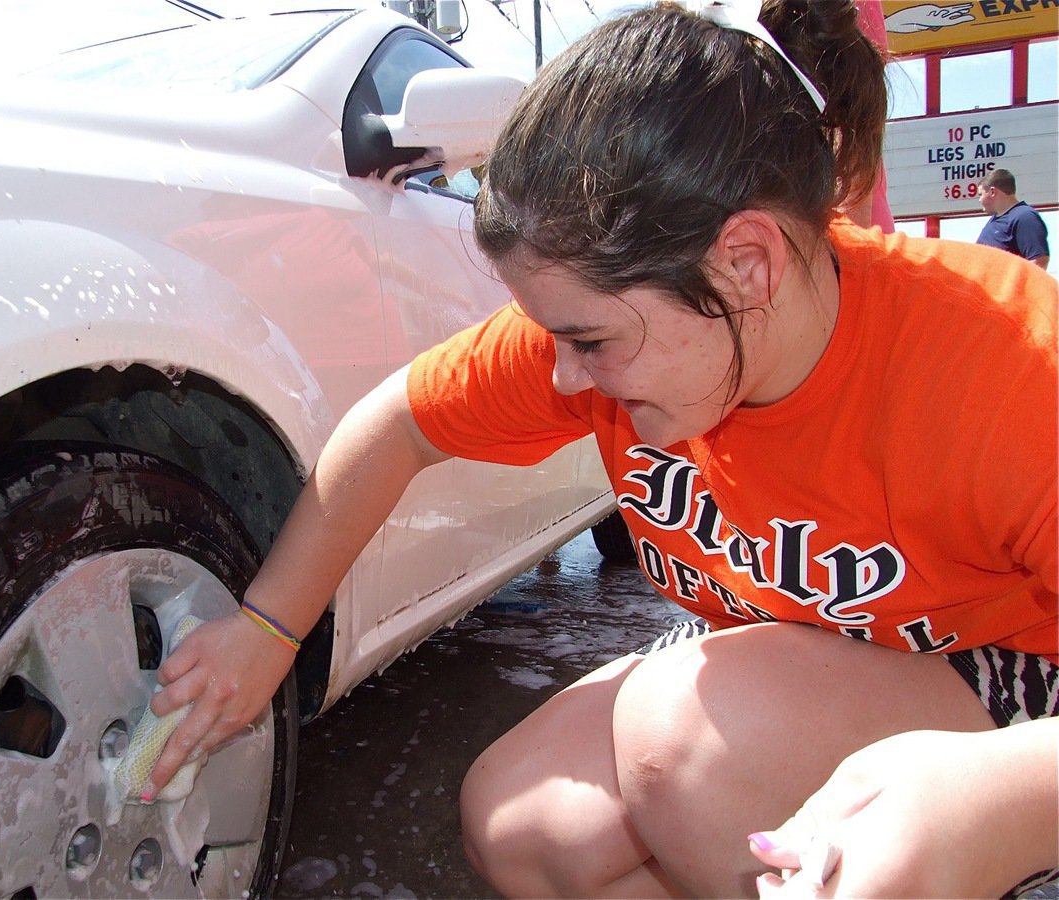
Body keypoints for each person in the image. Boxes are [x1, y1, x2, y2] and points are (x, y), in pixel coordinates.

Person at [145, 1, 1059, 896]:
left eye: (592, 342)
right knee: (518, 823)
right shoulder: (593, 332)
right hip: (780, 641)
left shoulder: (1012, 364)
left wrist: (996, 797)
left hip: (1006, 677)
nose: (569, 381)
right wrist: (266, 632)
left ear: (747, 264)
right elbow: (392, 430)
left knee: (686, 750)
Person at [976, 168, 1051, 269]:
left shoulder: (1025, 217)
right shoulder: (994, 220)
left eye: (981, 194)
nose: (979, 200)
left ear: (992, 192)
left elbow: (1039, 261)